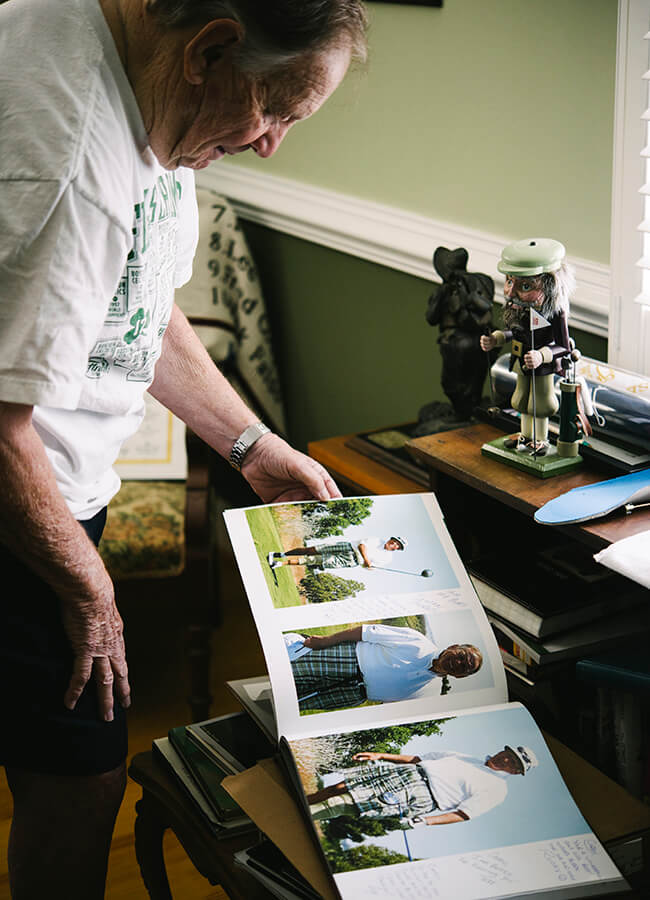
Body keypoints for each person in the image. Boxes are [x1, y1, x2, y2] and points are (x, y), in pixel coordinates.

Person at [0, 0, 367, 896]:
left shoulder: (153, 87)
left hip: (54, 488)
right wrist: (89, 589)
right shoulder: (70, 166)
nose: (272, 144)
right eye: (275, 108)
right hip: (20, 506)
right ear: (211, 49)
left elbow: (137, 298)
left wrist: (251, 445)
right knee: (77, 784)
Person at [480, 238, 575, 455]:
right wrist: (495, 339)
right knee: (521, 400)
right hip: (521, 362)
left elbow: (563, 346)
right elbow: (515, 332)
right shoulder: (518, 308)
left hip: (542, 368)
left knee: (539, 403)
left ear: (550, 286)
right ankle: (525, 435)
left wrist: (542, 356)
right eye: (509, 282)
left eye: (525, 286)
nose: (510, 292)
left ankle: (540, 439)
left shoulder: (556, 312)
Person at [307, 743, 538, 827]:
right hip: (405, 772)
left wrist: (425, 821)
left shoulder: (498, 789)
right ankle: (299, 802)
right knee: (336, 789)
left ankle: (297, 814)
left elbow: (463, 814)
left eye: (513, 763)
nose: (505, 760)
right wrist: (380, 755)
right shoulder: (466, 757)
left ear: (516, 772)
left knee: (340, 803)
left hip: (420, 795)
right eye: (508, 754)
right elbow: (417, 759)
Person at [286, 623, 483, 710]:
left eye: (465, 667)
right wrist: (326, 641)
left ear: (460, 677)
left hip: (354, 695)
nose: (458, 663)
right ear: (454, 647)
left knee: (294, 705)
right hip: (346, 660)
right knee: (287, 677)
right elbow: (367, 632)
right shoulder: (418, 641)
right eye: (461, 656)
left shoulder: (430, 693)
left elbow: (389, 708)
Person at [268, 535, 407, 571]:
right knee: (312, 550)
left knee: (313, 560)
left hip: (350, 561)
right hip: (347, 547)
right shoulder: (377, 539)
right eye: (394, 541)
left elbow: (370, 567)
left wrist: (368, 565)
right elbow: (362, 545)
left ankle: (278, 564)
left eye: (397, 545)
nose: (393, 543)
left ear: (397, 548)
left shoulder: (387, 558)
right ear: (391, 539)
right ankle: (281, 554)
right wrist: (366, 560)